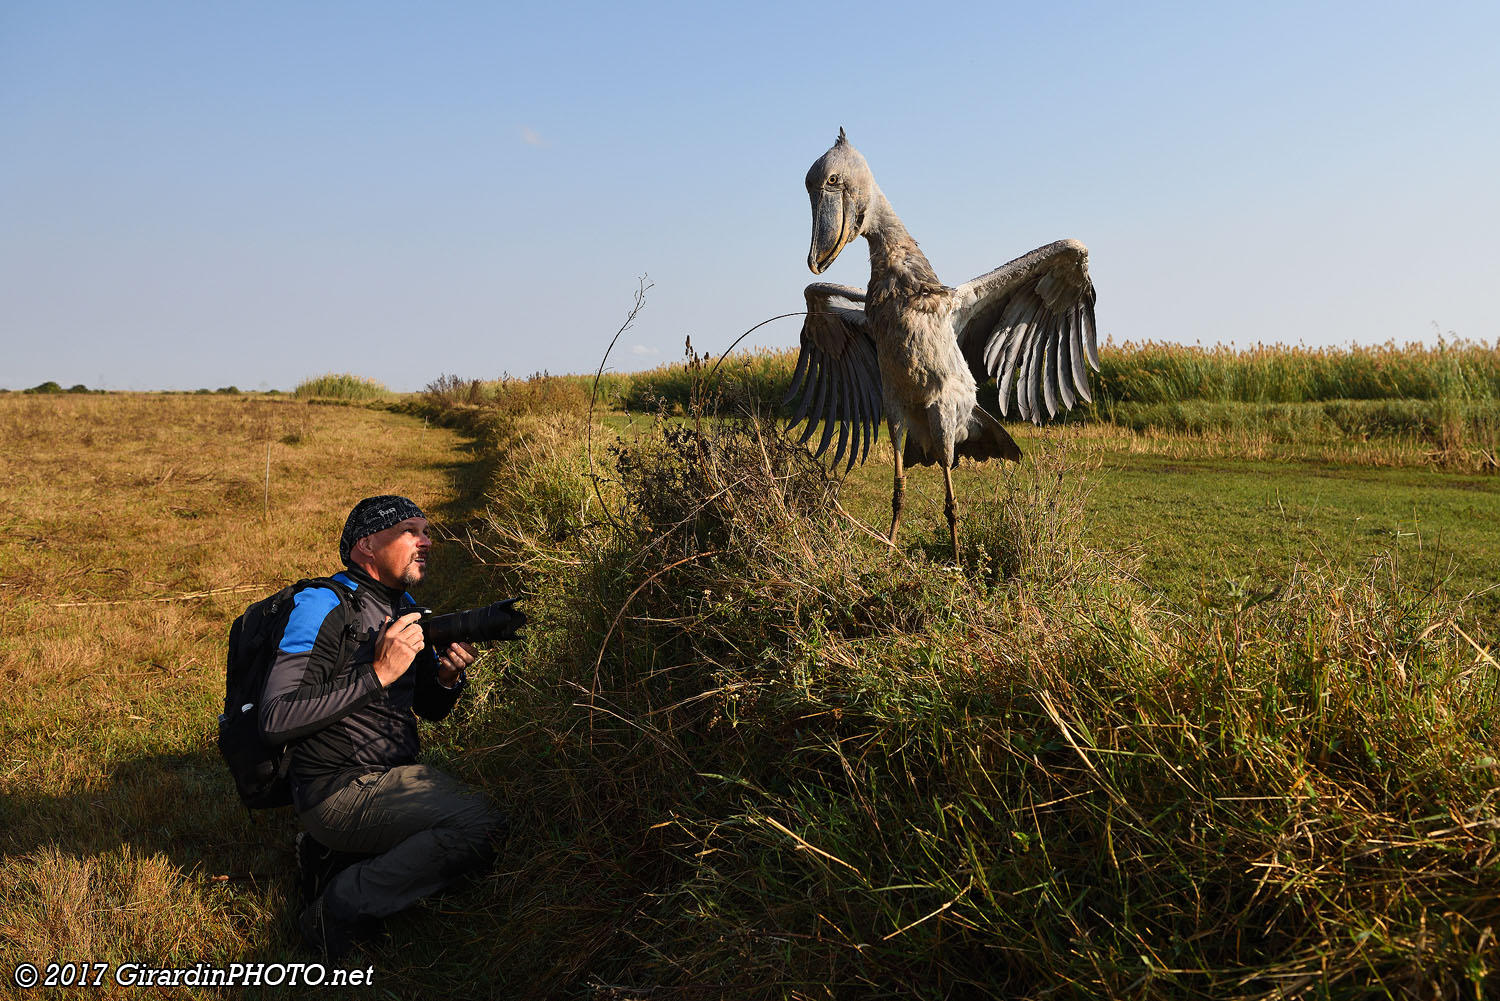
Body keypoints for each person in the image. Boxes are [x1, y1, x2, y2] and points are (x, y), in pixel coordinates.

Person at [260, 495, 507, 957]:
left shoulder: (402, 604)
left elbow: (428, 709)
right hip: (334, 788)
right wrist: (377, 674)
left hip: (386, 775)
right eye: (411, 531)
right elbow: (275, 718)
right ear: (366, 545)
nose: (427, 541)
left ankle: (331, 858)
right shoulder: (320, 605)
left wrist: (446, 677)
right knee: (481, 824)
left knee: (471, 815)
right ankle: (335, 909)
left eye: (427, 531)